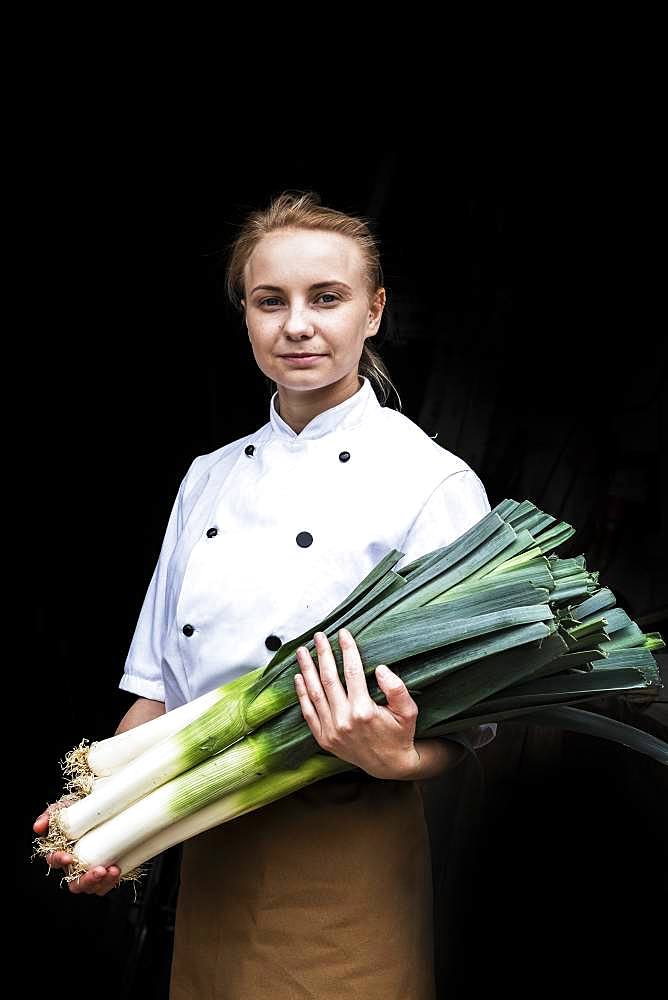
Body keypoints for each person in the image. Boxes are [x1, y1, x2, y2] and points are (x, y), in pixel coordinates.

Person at [34, 190, 497, 998]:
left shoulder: (431, 482)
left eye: (327, 298)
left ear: (374, 312)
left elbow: (475, 712)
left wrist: (400, 757)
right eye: (269, 300)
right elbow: (158, 689)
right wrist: (104, 823)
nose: (297, 325)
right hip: (201, 833)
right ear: (245, 315)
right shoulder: (208, 477)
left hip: (345, 846)